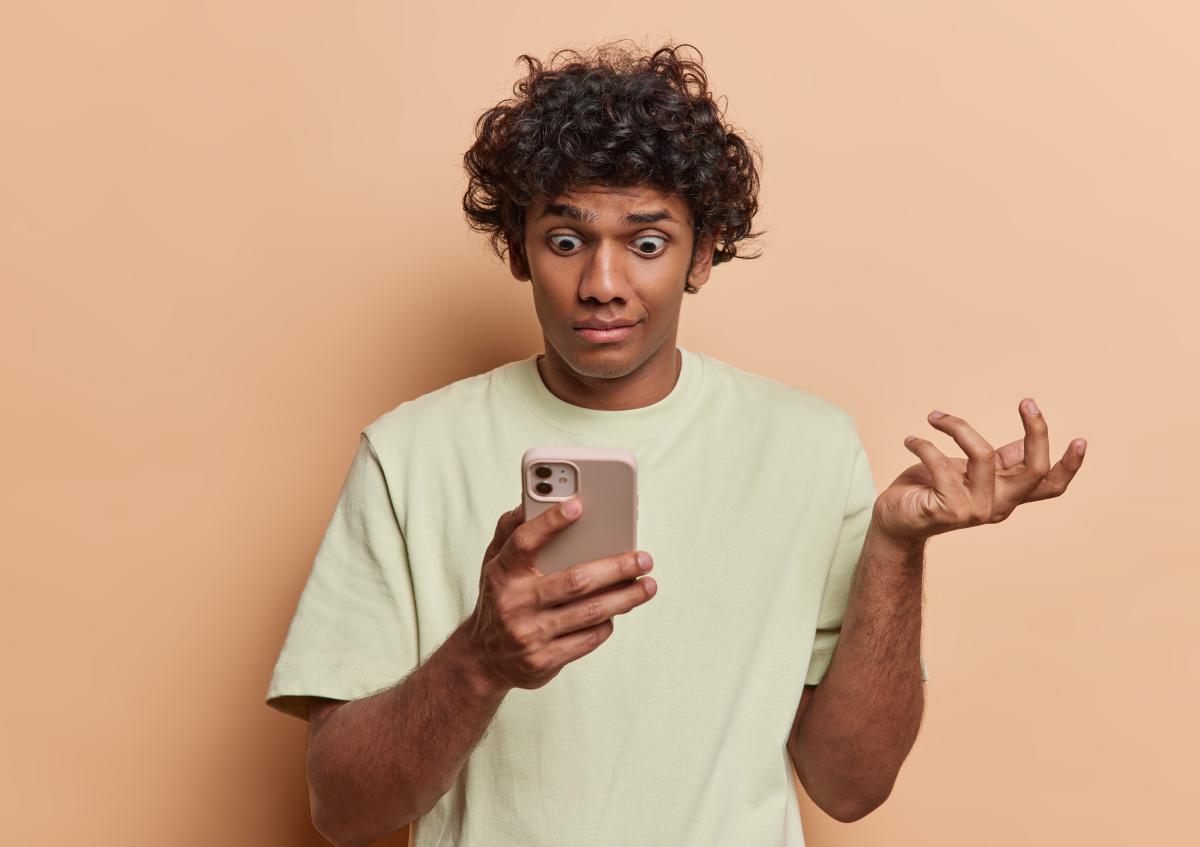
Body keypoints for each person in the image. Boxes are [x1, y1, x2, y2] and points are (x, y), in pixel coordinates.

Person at [266, 40, 1086, 847]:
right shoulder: (407, 455)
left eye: (648, 243)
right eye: (565, 240)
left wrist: (898, 546)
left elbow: (850, 786)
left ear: (704, 254)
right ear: (518, 249)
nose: (603, 284)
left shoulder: (808, 446)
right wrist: (481, 660)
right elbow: (343, 810)